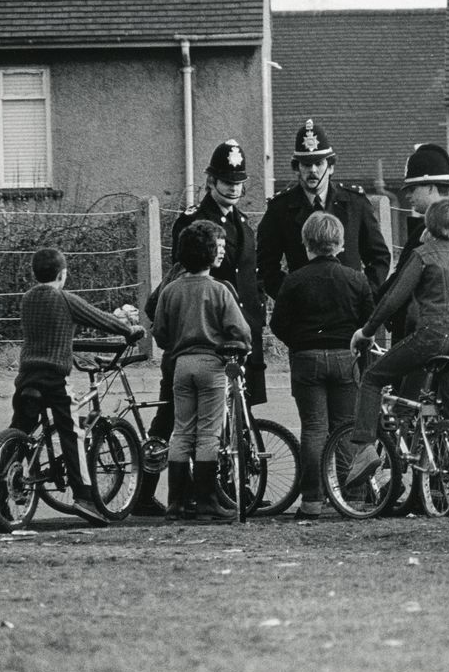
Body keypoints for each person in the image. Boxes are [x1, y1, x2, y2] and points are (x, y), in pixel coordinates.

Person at [137, 139, 267, 516]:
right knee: (173, 418)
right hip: (201, 338)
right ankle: (146, 493)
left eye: (238, 180)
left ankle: (232, 489)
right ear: (211, 181)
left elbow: (249, 282)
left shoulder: (243, 224)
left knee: (235, 416)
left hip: (235, 335)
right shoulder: (195, 221)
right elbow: (183, 275)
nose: (232, 187)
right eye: (225, 180)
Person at [346, 199, 449, 519]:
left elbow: (395, 298)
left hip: (431, 336)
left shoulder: (424, 255)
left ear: (428, 227)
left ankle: (364, 450)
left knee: (373, 378)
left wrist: (366, 331)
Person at [10, 247, 143, 526]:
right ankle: (84, 497)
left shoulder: (27, 299)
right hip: (53, 379)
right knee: (72, 433)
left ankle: (2, 483)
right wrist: (129, 331)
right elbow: (100, 319)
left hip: (26, 376)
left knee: (20, 430)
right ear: (63, 274)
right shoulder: (64, 299)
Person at [269, 212, 375, 520]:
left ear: (306, 245)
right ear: (341, 244)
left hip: (307, 357)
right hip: (345, 355)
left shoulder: (294, 280)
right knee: (345, 427)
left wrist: (299, 342)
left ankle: (312, 500)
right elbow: (368, 320)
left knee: (314, 428)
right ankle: (352, 496)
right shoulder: (356, 279)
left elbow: (278, 324)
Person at [151, 220, 252, 521]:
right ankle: (207, 501)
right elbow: (241, 331)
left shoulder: (171, 290)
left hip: (181, 365)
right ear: (211, 255)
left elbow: (159, 332)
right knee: (208, 433)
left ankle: (176, 503)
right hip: (212, 364)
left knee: (181, 431)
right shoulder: (219, 290)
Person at [256, 118, 390, 302]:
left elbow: (379, 257)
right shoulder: (280, 209)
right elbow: (266, 266)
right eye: (306, 164)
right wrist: (291, 296)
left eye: (318, 163)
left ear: (331, 167)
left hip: (349, 307)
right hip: (304, 312)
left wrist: (364, 295)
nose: (313, 171)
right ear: (297, 168)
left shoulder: (355, 203)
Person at [376, 142, 449, 343]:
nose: (407, 195)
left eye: (413, 188)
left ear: (430, 187)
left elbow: (402, 281)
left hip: (418, 332)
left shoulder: (427, 231)